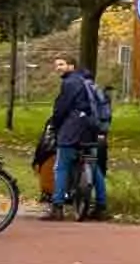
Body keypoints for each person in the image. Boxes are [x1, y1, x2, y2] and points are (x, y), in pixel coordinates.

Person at [40, 53, 110, 223]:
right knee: (93, 166)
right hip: (90, 131)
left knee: (62, 166)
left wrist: (55, 125)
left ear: (71, 66)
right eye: (56, 65)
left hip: (71, 133)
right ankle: (101, 206)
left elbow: (61, 109)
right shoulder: (88, 82)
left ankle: (57, 207)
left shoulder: (70, 82)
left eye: (61, 64)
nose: (58, 68)